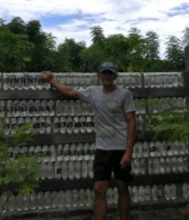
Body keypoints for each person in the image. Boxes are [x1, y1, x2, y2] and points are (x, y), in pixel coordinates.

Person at [42, 62, 136, 220]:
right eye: (104, 73)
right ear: (99, 76)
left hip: (121, 149)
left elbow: (131, 122)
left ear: (115, 76)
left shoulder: (125, 94)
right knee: (99, 189)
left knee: (122, 187)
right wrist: (52, 81)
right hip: (102, 149)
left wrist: (129, 151)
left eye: (110, 73)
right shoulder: (93, 92)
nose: (107, 76)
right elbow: (71, 92)